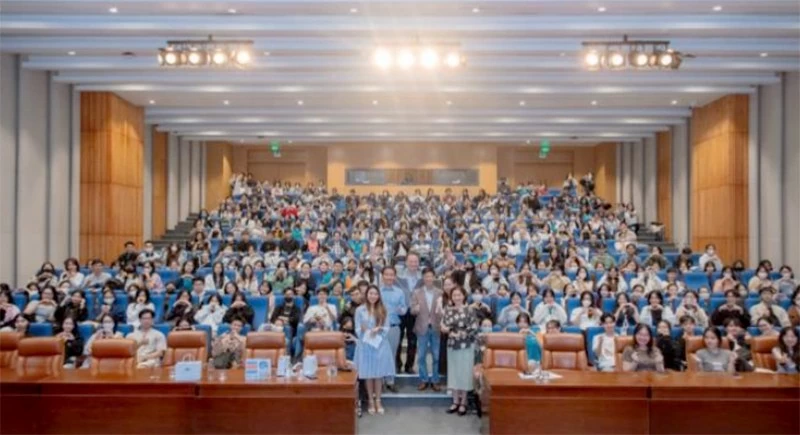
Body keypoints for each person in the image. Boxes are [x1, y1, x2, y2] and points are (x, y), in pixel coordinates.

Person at [354, 285, 395, 416]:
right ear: (366, 295)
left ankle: (378, 400)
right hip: (365, 344)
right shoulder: (360, 310)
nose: (373, 296)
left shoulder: (383, 309)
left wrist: (378, 331)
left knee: (378, 374)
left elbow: (387, 327)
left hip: (380, 345)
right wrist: (365, 332)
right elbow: (357, 328)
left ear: (379, 296)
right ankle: (370, 401)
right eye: (371, 293)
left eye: (375, 294)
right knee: (368, 374)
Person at [441, 286, 477, 417]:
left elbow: (473, 327)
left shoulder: (470, 310)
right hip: (452, 344)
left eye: (459, 295)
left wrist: (460, 334)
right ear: (451, 297)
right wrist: (449, 331)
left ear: (464, 296)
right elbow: (443, 326)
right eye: (454, 295)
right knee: (454, 372)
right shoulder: (448, 310)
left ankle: (464, 402)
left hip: (466, 345)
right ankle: (455, 401)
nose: (457, 297)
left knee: (465, 372)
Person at [410, 268, 443, 391]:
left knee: (436, 356)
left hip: (436, 327)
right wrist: (415, 309)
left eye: (431, 276)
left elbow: (443, 311)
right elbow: (412, 309)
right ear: (423, 278)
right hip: (422, 327)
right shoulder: (416, 292)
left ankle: (435, 380)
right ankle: (423, 379)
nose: (429, 278)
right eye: (426, 276)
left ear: (434, 277)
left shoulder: (440, 292)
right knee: (421, 356)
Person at [378, 266, 407, 392]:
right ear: (382, 276)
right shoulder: (377, 291)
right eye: (386, 274)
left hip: (394, 328)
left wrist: (402, 310)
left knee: (392, 354)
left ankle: (390, 381)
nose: (389, 277)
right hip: (379, 328)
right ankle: (380, 381)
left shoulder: (399, 292)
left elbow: (404, 308)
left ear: (394, 277)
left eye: (391, 275)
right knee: (379, 355)